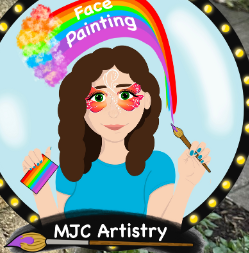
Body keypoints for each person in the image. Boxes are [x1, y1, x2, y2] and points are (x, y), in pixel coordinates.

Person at [23, 46, 210, 221]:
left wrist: (187, 183)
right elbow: (59, 233)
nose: (113, 112)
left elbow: (160, 235)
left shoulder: (159, 166)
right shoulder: (72, 165)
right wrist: (39, 183)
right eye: (98, 98)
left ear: (146, 100)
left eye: (126, 96)